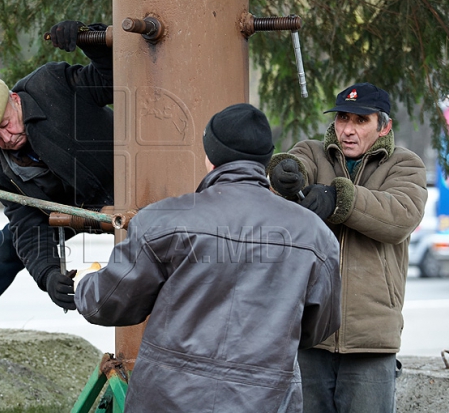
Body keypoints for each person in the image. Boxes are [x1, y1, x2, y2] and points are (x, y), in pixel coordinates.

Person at [74, 103, 342, 412]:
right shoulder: (315, 235)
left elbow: (108, 303)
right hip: (265, 401)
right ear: (267, 159)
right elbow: (317, 328)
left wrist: (84, 283)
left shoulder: (164, 219)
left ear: (209, 156)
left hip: (169, 400)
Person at [267, 83, 428, 413]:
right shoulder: (314, 152)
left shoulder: (405, 165)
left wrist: (337, 198)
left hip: (371, 339)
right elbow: (293, 165)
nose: (347, 130)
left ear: (384, 126)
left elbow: (401, 216)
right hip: (310, 332)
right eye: (342, 118)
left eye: (360, 121)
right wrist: (284, 173)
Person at [0, 20, 113, 320]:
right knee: (3, 248)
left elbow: (109, 82)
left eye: (5, 125)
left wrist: (91, 40)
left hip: (128, 176)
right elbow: (30, 224)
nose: (6, 139)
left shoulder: (51, 85)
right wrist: (48, 274)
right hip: (77, 207)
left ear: (15, 99)